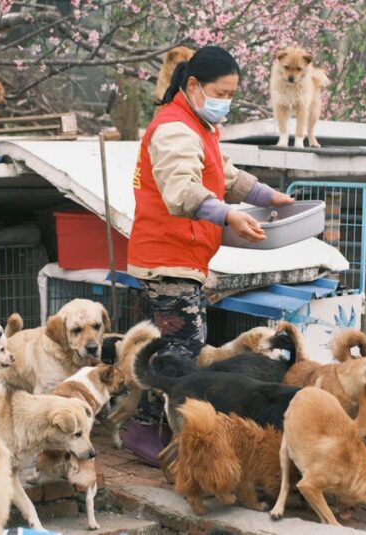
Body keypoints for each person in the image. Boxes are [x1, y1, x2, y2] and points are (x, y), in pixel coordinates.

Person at [125, 46, 294, 435]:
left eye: (232, 95)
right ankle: (155, 431)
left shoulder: (199, 126)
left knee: (176, 346)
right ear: (193, 85)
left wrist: (268, 197)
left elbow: (228, 176)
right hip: (167, 255)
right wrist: (229, 215)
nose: (225, 103)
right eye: (220, 94)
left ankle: (151, 426)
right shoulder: (173, 129)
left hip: (181, 254)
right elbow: (181, 190)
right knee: (183, 347)